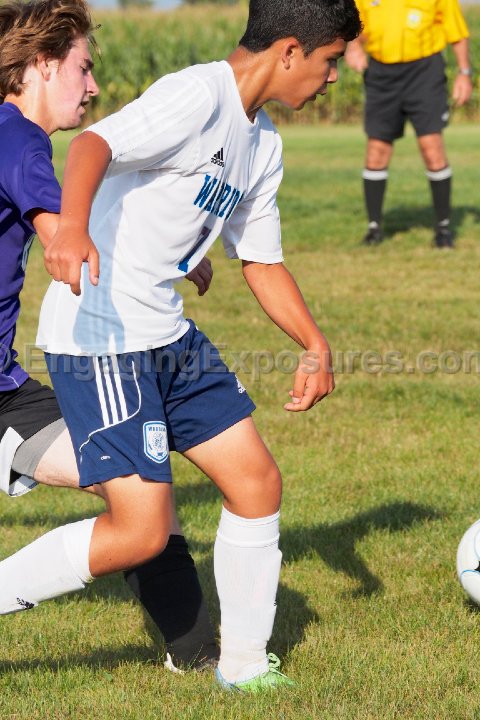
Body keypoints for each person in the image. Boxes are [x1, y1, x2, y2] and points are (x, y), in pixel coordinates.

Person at [2, 0, 361, 692]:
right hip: (104, 336)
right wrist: (71, 228)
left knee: (256, 481)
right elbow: (91, 146)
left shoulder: (264, 146)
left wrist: (313, 342)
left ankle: (244, 668)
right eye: (330, 61)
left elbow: (260, 259)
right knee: (142, 530)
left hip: (168, 334)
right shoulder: (198, 94)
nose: (333, 78)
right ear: (290, 51)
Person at [0, 0, 219, 672]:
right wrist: (141, 258)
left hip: (7, 390)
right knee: (139, 493)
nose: (92, 86)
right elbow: (62, 238)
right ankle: (197, 654)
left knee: (139, 490)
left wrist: (154, 253)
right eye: (82, 68)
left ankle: (195, 654)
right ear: (42, 65)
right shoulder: (17, 137)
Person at [345, 0, 472, 248]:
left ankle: (443, 229)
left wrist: (464, 73)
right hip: (381, 73)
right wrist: (353, 47)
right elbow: (355, 28)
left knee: (431, 147)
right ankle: (374, 229)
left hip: (424, 71)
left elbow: (457, 32)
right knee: (376, 151)